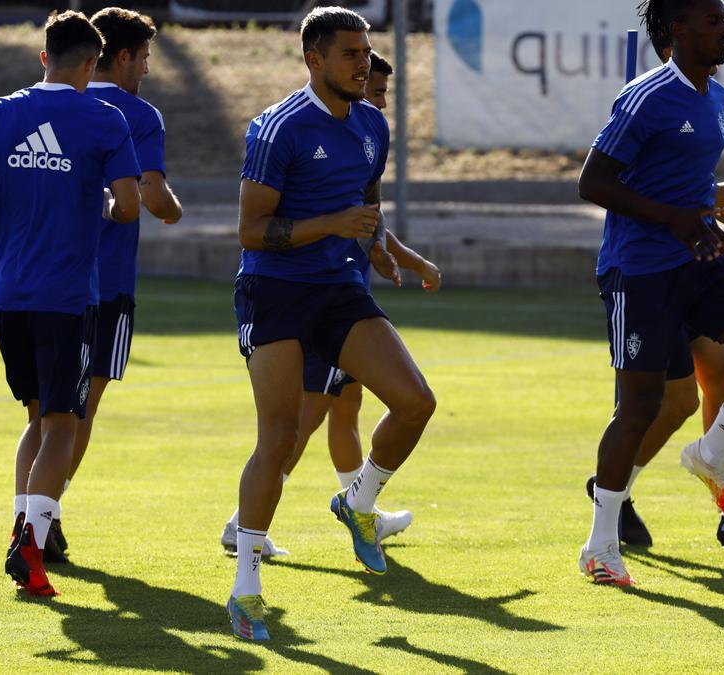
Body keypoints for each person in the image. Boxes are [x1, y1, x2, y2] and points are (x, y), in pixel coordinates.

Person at [227, 7, 437, 640]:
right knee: (282, 431)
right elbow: (252, 231)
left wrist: (391, 252)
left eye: (367, 51)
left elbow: (365, 205)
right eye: (350, 52)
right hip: (276, 291)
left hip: (340, 291)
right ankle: (244, 588)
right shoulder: (278, 128)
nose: (364, 62)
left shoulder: (373, 123)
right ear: (313, 59)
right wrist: (332, 226)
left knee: (415, 402)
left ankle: (359, 501)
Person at [576, 0, 724, 585]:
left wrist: (716, 211)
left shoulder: (714, 98)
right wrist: (675, 218)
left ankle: (711, 456)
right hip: (640, 270)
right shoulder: (645, 98)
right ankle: (601, 545)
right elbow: (592, 182)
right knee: (645, 405)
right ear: (678, 29)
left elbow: (692, 191)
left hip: (699, 262)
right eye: (712, 20)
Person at [0, 11, 141, 596]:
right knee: (62, 425)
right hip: (68, 294)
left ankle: (24, 530)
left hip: (8, 291)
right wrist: (98, 204)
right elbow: (128, 205)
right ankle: (31, 539)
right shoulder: (105, 117)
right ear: (91, 65)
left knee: (35, 416)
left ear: (43, 57)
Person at [42, 5, 185, 564]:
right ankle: (44, 513)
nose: (146, 69)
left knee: (45, 409)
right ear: (120, 56)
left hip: (41, 276)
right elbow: (150, 196)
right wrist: (172, 209)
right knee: (82, 409)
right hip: (106, 283)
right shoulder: (137, 115)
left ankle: (32, 510)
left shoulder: (47, 102)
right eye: (145, 57)